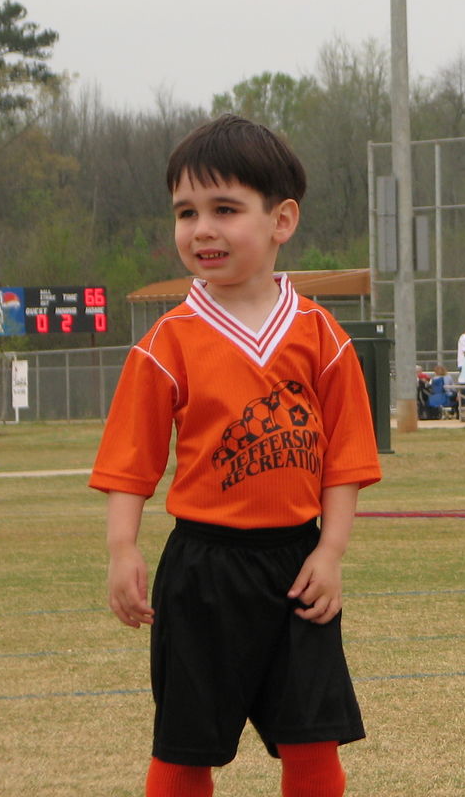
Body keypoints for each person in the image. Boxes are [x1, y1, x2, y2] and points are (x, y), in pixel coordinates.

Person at [88, 115, 382, 797]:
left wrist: (330, 552)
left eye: (225, 209)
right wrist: (121, 549)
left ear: (281, 220)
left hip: (295, 568)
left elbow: (345, 460)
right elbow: (132, 461)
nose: (202, 229)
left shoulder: (320, 334)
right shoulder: (169, 341)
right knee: (187, 749)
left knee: (312, 744)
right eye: (186, 212)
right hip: (202, 572)